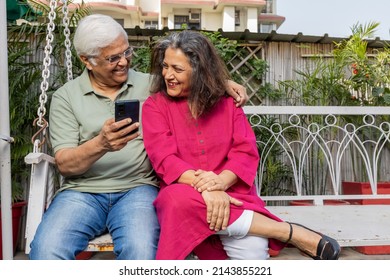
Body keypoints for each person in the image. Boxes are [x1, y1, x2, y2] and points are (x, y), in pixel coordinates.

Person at [29, 14, 248, 260]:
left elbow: (192, 77)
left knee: (142, 252)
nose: (124, 62)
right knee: (45, 251)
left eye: (127, 52)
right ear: (87, 61)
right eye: (113, 58)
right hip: (82, 193)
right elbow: (66, 164)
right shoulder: (66, 97)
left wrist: (225, 83)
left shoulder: (152, 85)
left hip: (139, 189)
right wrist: (101, 144)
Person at [142, 30, 341, 260]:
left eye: (177, 69)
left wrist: (220, 183)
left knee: (254, 253)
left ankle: (252, 225)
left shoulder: (227, 104)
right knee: (175, 201)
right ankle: (287, 231)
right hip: (186, 192)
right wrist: (209, 189)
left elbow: (245, 151)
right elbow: (164, 158)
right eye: (165, 66)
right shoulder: (155, 106)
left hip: (233, 193)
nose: (168, 75)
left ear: (199, 71)